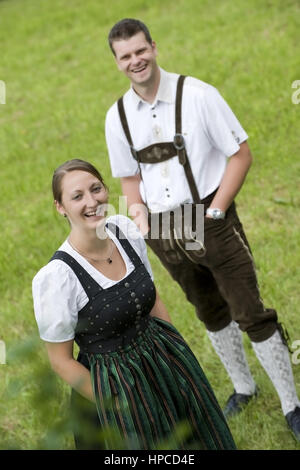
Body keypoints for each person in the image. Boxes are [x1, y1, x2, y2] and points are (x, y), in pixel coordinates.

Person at [104, 18, 300, 441]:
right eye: (125, 56)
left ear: (153, 47)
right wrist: (141, 219)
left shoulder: (197, 95)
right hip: (163, 228)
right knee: (209, 311)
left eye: (141, 50)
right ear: (117, 62)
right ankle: (243, 387)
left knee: (250, 311)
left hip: (211, 218)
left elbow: (240, 154)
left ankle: (292, 404)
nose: (135, 61)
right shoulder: (117, 117)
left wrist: (216, 211)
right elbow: (129, 181)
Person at [32, 159, 236, 450]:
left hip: (162, 359)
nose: (92, 201)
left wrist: (176, 353)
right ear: (60, 207)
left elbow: (154, 299)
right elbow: (60, 361)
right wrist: (114, 403)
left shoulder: (124, 231)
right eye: (77, 196)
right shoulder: (57, 278)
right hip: (112, 382)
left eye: (96, 189)